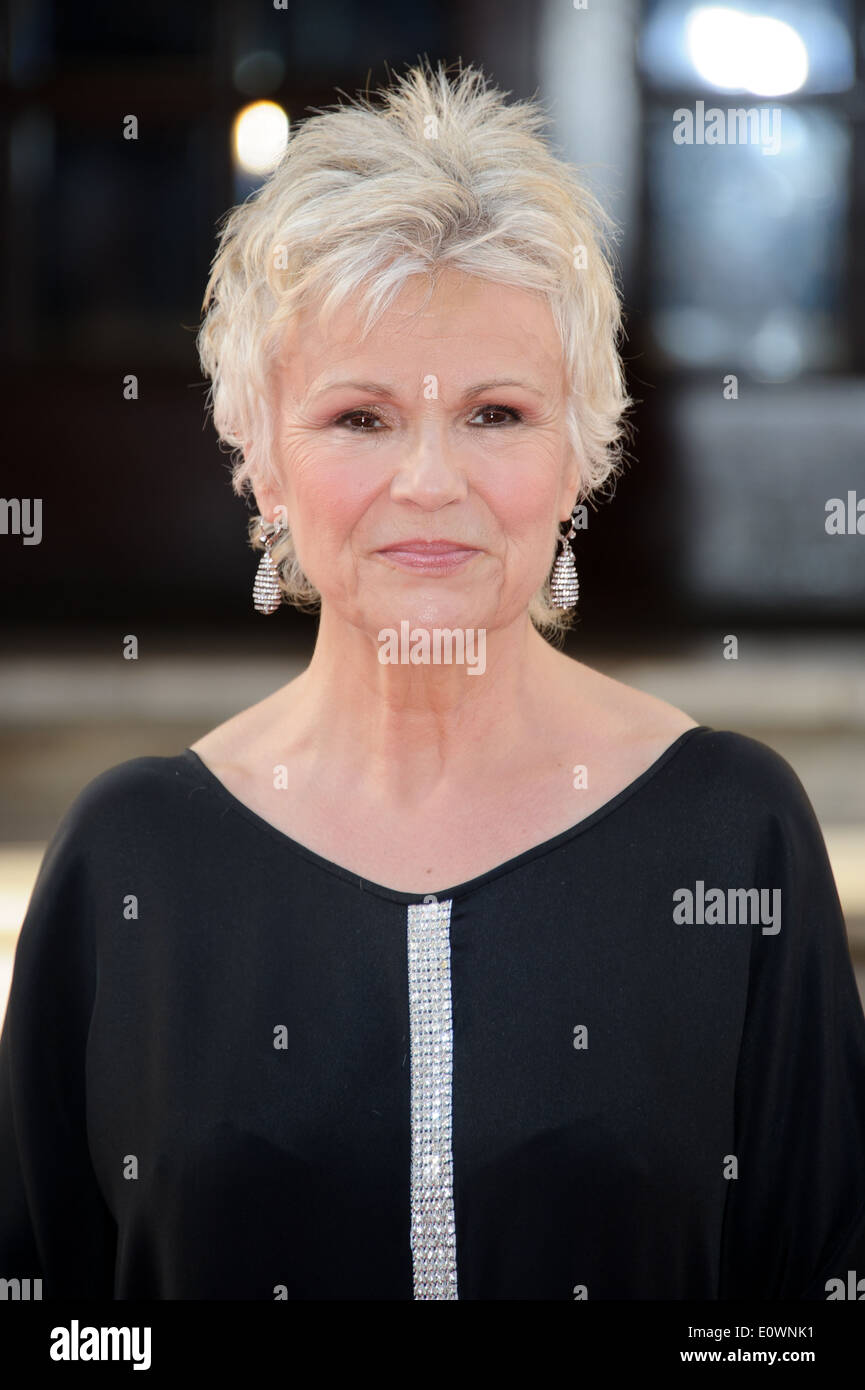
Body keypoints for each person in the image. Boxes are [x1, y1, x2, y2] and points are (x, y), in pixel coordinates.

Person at [2, 61, 864, 1301]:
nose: (428, 483)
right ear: (261, 460)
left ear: (582, 452)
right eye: (359, 418)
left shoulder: (731, 833)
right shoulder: (129, 859)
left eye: (495, 413)